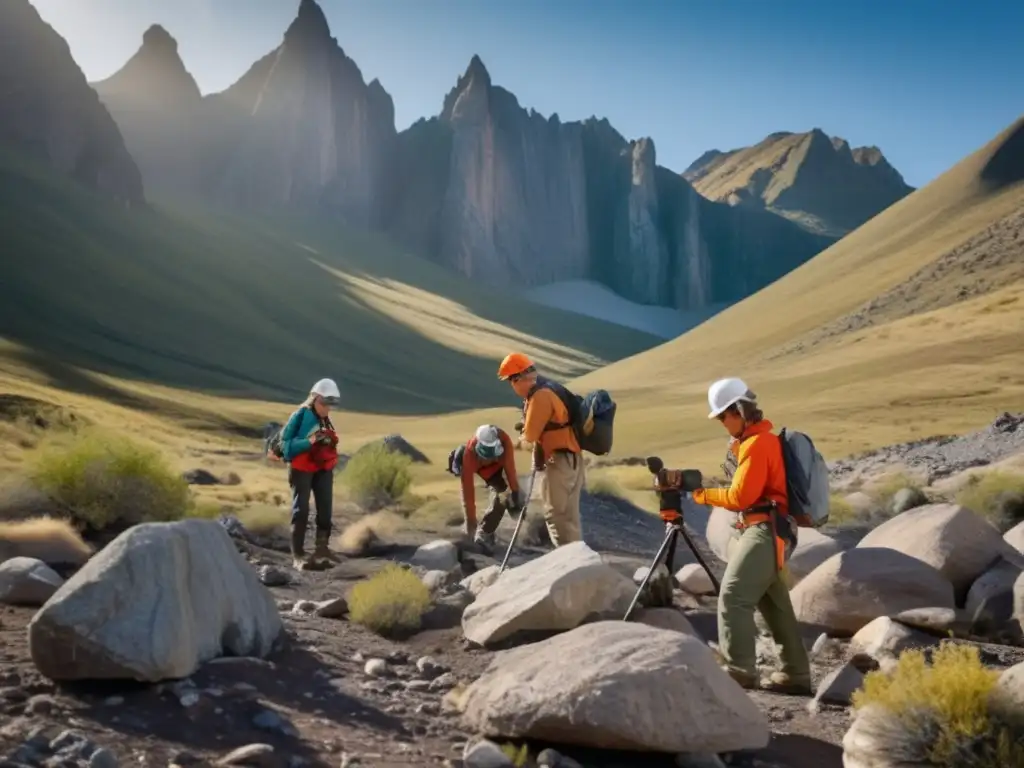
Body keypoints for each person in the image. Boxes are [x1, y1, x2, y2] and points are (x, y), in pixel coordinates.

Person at [680, 377, 812, 694]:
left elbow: (740, 497)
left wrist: (701, 495)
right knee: (774, 604)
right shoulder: (754, 442)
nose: (723, 423)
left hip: (763, 530)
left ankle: (740, 671)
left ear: (739, 410)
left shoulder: (758, 444)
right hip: (767, 530)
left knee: (733, 597)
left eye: (724, 416)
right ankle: (796, 675)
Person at [496, 353, 585, 547]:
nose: (512, 386)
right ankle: (579, 559)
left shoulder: (540, 396)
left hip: (558, 461)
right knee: (569, 516)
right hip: (572, 458)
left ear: (518, 378)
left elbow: (530, 437)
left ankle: (568, 562)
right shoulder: (549, 387)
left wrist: (514, 442)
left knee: (556, 516)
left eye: (511, 381)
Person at [280, 378, 341, 571]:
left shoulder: (325, 419)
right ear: (315, 398)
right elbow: (285, 446)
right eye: (325, 403)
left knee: (325, 509)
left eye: (330, 405)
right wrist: (310, 441)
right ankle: (298, 555)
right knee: (301, 511)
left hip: (321, 469)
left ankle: (321, 549)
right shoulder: (299, 415)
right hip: (300, 469)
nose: (327, 408)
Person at [448, 425, 526, 553]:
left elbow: (510, 470)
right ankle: (483, 533)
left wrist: (515, 491)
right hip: (482, 470)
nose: (487, 459)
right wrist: (471, 523)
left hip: (498, 467)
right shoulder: (469, 456)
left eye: (490, 456)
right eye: (484, 457)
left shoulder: (505, 441)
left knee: (514, 501)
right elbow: (468, 495)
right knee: (502, 498)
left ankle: (524, 527)